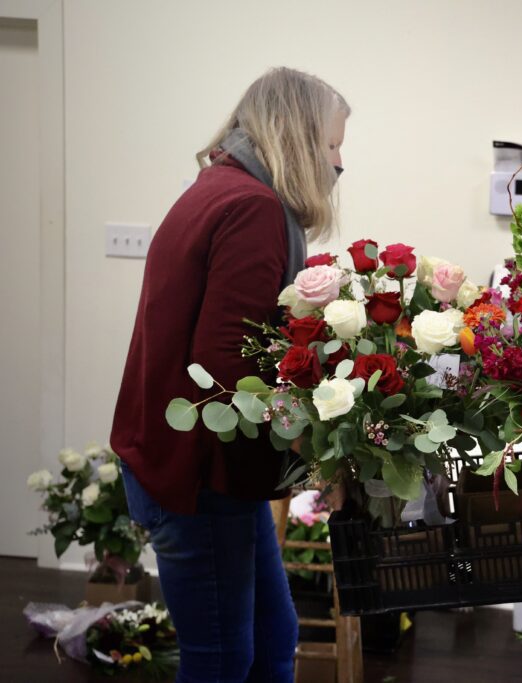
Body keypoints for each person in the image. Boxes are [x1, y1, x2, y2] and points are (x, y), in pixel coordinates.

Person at [110, 67, 349, 682]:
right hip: (200, 479)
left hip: (196, 470)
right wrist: (316, 448)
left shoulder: (220, 186)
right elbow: (228, 368)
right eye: (331, 143)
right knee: (221, 658)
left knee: (273, 640)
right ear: (297, 138)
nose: (339, 161)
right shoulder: (252, 207)